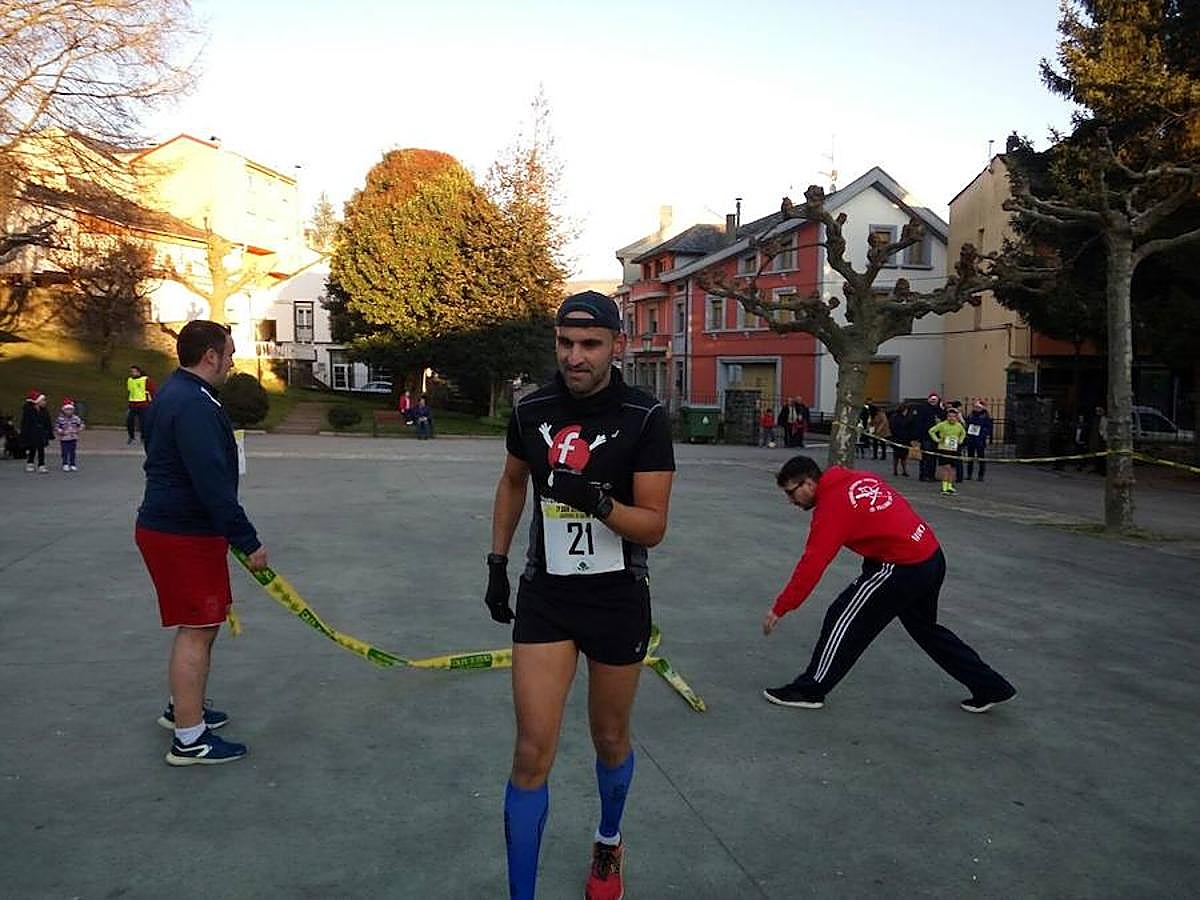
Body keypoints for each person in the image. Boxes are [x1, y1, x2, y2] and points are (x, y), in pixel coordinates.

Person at [485, 290, 675, 900]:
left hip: (618, 598)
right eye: (565, 343)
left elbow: (654, 526)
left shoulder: (644, 416)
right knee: (530, 751)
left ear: (617, 345)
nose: (575, 356)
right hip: (548, 596)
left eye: (590, 344)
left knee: (610, 738)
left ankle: (608, 842)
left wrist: (597, 501)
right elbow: (512, 481)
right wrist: (496, 562)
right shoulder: (532, 409)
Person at [760, 455, 1016, 713]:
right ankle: (990, 686)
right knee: (927, 631)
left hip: (901, 566)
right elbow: (890, 513)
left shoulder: (831, 507)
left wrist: (781, 607)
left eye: (791, 493)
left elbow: (813, 563)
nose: (791, 501)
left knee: (843, 618)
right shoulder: (859, 478)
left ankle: (809, 691)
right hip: (930, 554)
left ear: (809, 483)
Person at [135, 320, 269, 767]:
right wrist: (247, 540)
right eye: (229, 353)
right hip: (183, 532)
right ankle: (190, 738)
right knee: (198, 627)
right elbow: (211, 482)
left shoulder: (176, 393)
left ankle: (183, 708)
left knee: (201, 625)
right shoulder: (192, 403)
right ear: (210, 356)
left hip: (178, 527)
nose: (232, 360)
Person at [929, 407, 966, 494]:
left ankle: (950, 486)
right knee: (946, 468)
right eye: (949, 416)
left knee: (952, 469)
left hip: (954, 449)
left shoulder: (958, 425)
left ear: (956, 417)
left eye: (953, 416)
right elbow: (931, 431)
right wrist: (937, 440)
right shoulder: (942, 425)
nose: (951, 418)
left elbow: (963, 433)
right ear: (947, 417)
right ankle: (944, 487)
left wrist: (960, 440)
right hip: (944, 449)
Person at [914, 393, 944, 482]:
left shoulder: (939, 410)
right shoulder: (923, 409)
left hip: (936, 437)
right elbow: (919, 423)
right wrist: (918, 437)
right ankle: (924, 475)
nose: (933, 401)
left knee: (933, 457)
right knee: (926, 457)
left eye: (935, 400)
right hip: (926, 437)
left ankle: (931, 475)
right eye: (932, 399)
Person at [20, 390, 53, 473]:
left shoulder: (44, 411)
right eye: (43, 400)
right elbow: (25, 423)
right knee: (32, 449)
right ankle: (30, 463)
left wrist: (49, 433)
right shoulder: (28, 411)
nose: (45, 402)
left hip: (41, 433)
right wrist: (24, 434)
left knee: (41, 449)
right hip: (32, 433)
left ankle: (41, 465)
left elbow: (48, 422)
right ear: (37, 402)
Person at [125, 365, 155, 445]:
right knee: (129, 421)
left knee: (143, 422)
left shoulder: (145, 379)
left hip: (143, 404)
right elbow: (130, 391)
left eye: (134, 371)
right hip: (133, 404)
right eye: (131, 371)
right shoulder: (130, 380)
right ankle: (131, 437)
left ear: (139, 372)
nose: (133, 373)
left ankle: (143, 437)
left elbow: (152, 391)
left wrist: (152, 402)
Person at [963, 400, 992, 481]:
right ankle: (969, 474)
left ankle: (981, 475)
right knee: (970, 458)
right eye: (975, 407)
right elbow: (968, 424)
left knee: (981, 458)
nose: (976, 408)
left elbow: (988, 427)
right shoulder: (971, 415)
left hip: (980, 440)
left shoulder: (985, 416)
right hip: (971, 439)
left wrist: (984, 435)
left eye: (978, 407)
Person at [54, 398, 85, 472]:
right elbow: (56, 427)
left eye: (70, 409)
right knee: (64, 452)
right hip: (64, 438)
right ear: (63, 410)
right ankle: (65, 463)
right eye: (67, 409)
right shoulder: (60, 419)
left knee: (72, 452)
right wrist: (61, 431)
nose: (69, 411)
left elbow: (81, 425)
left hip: (73, 438)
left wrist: (78, 430)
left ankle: (72, 464)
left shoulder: (76, 418)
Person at [889, 404, 911, 477]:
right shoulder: (904, 418)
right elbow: (907, 427)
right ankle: (904, 470)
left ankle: (895, 470)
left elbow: (891, 427)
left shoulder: (893, 417)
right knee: (904, 457)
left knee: (896, 456)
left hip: (895, 439)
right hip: (903, 439)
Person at [1088, 406, 1107, 474]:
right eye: (1097, 411)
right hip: (1095, 439)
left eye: (1099, 411)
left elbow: (1104, 429)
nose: (1097, 412)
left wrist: (1103, 437)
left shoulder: (1104, 419)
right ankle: (1097, 467)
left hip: (1101, 440)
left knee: (1102, 456)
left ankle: (1102, 469)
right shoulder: (1095, 419)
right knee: (1096, 454)